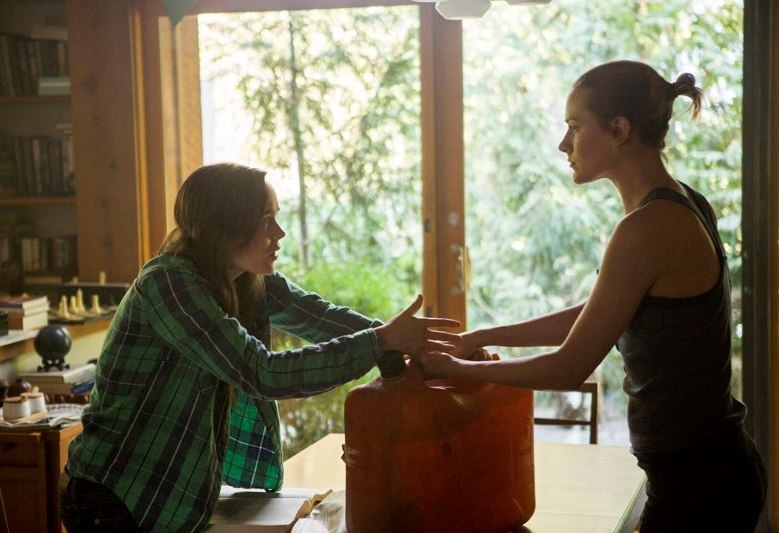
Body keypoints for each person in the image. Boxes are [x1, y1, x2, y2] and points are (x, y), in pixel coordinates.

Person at [412, 60, 766, 532]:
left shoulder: (646, 228)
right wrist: (482, 335)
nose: (564, 144)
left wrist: (458, 369)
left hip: (700, 485)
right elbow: (600, 314)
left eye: (575, 128)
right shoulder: (680, 203)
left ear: (619, 130)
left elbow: (569, 366)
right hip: (706, 471)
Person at [58, 162, 460, 531]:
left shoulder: (243, 278)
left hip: (163, 493)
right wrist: (383, 341)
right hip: (112, 495)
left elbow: (318, 317)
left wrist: (407, 344)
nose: (279, 234)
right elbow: (261, 372)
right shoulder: (170, 285)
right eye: (265, 220)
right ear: (225, 228)